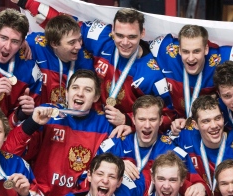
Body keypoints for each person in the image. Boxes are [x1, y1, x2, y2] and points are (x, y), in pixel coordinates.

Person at [13, 2, 174, 128]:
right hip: (87, 120)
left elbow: (167, 116)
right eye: (119, 35)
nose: (125, 42)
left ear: (143, 34)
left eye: (132, 37)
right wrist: (26, 4)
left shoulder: (153, 75)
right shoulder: (101, 38)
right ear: (112, 31)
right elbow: (65, 26)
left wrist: (127, 120)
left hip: (119, 134)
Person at [2, 69, 113, 196]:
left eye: (87, 90)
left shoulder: (104, 125)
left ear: (96, 97)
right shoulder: (48, 114)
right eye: (75, 88)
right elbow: (9, 153)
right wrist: (32, 123)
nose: (79, 93)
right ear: (67, 93)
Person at [97, 95, 208, 196]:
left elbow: (197, 182)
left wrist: (200, 187)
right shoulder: (115, 145)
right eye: (142, 119)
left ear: (160, 121)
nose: (147, 125)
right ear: (133, 120)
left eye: (152, 119)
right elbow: (90, 175)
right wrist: (116, 166)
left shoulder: (173, 151)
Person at [174, 95, 233, 196]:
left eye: (217, 118)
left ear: (223, 117)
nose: (214, 125)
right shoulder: (186, 137)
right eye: (206, 121)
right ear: (195, 124)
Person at [22, 14, 94, 108]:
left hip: (68, 117)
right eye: (72, 42)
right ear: (54, 44)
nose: (79, 46)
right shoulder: (35, 44)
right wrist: (21, 42)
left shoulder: (86, 61)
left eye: (79, 39)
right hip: (37, 114)